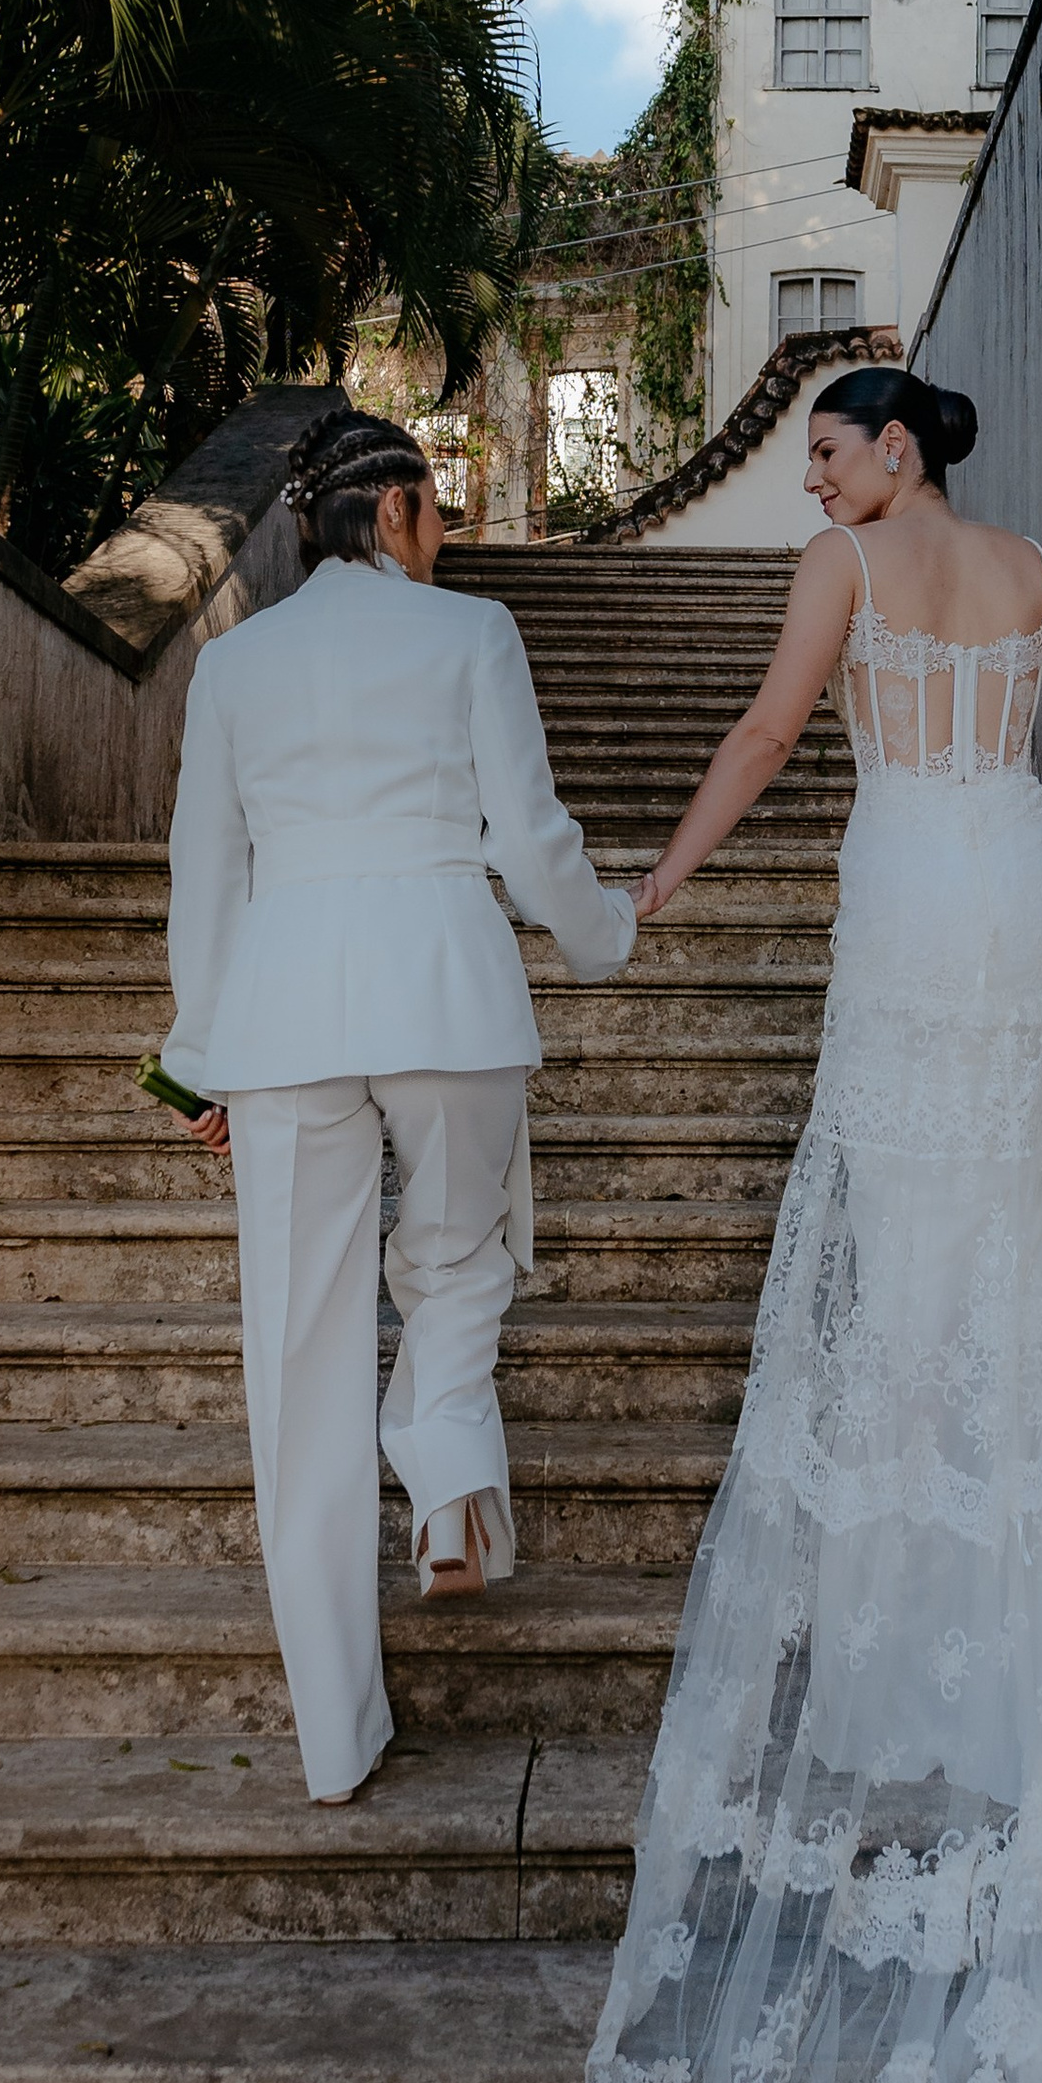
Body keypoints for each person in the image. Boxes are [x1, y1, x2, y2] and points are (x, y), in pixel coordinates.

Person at [586, 364, 1042, 2083]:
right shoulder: (1026, 561)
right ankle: (982, 1635)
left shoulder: (850, 567)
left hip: (919, 905)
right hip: (1029, 895)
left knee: (902, 1268)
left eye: (824, 451)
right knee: (1014, 1272)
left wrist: (669, 865)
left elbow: (768, 729)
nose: (812, 480)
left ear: (889, 449)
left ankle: (894, 1624)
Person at [158, 410, 636, 1806]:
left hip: (286, 1015)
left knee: (295, 1367)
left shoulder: (234, 666)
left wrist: (200, 1057)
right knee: (456, 1263)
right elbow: (531, 841)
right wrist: (607, 925)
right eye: (442, 507)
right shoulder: (473, 635)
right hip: (449, 994)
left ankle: (335, 1738)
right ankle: (442, 1479)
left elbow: (208, 878)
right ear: (405, 508)